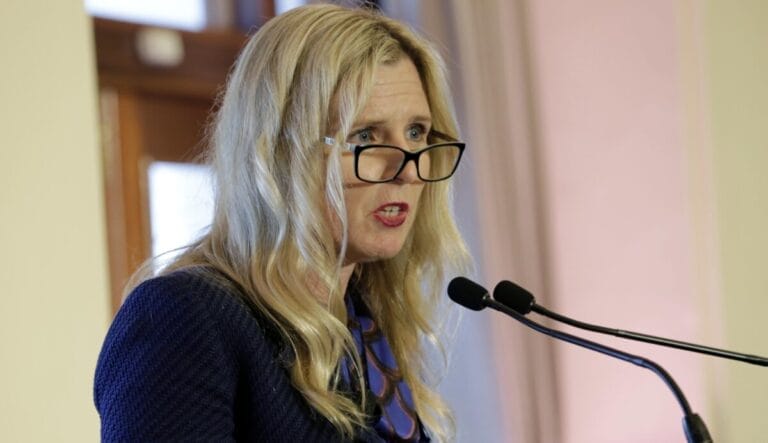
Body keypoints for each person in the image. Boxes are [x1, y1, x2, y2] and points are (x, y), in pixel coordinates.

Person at [94, 4, 470, 442]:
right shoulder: (184, 319)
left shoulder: (365, 327)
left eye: (416, 132)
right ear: (281, 151)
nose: (406, 169)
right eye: (365, 136)